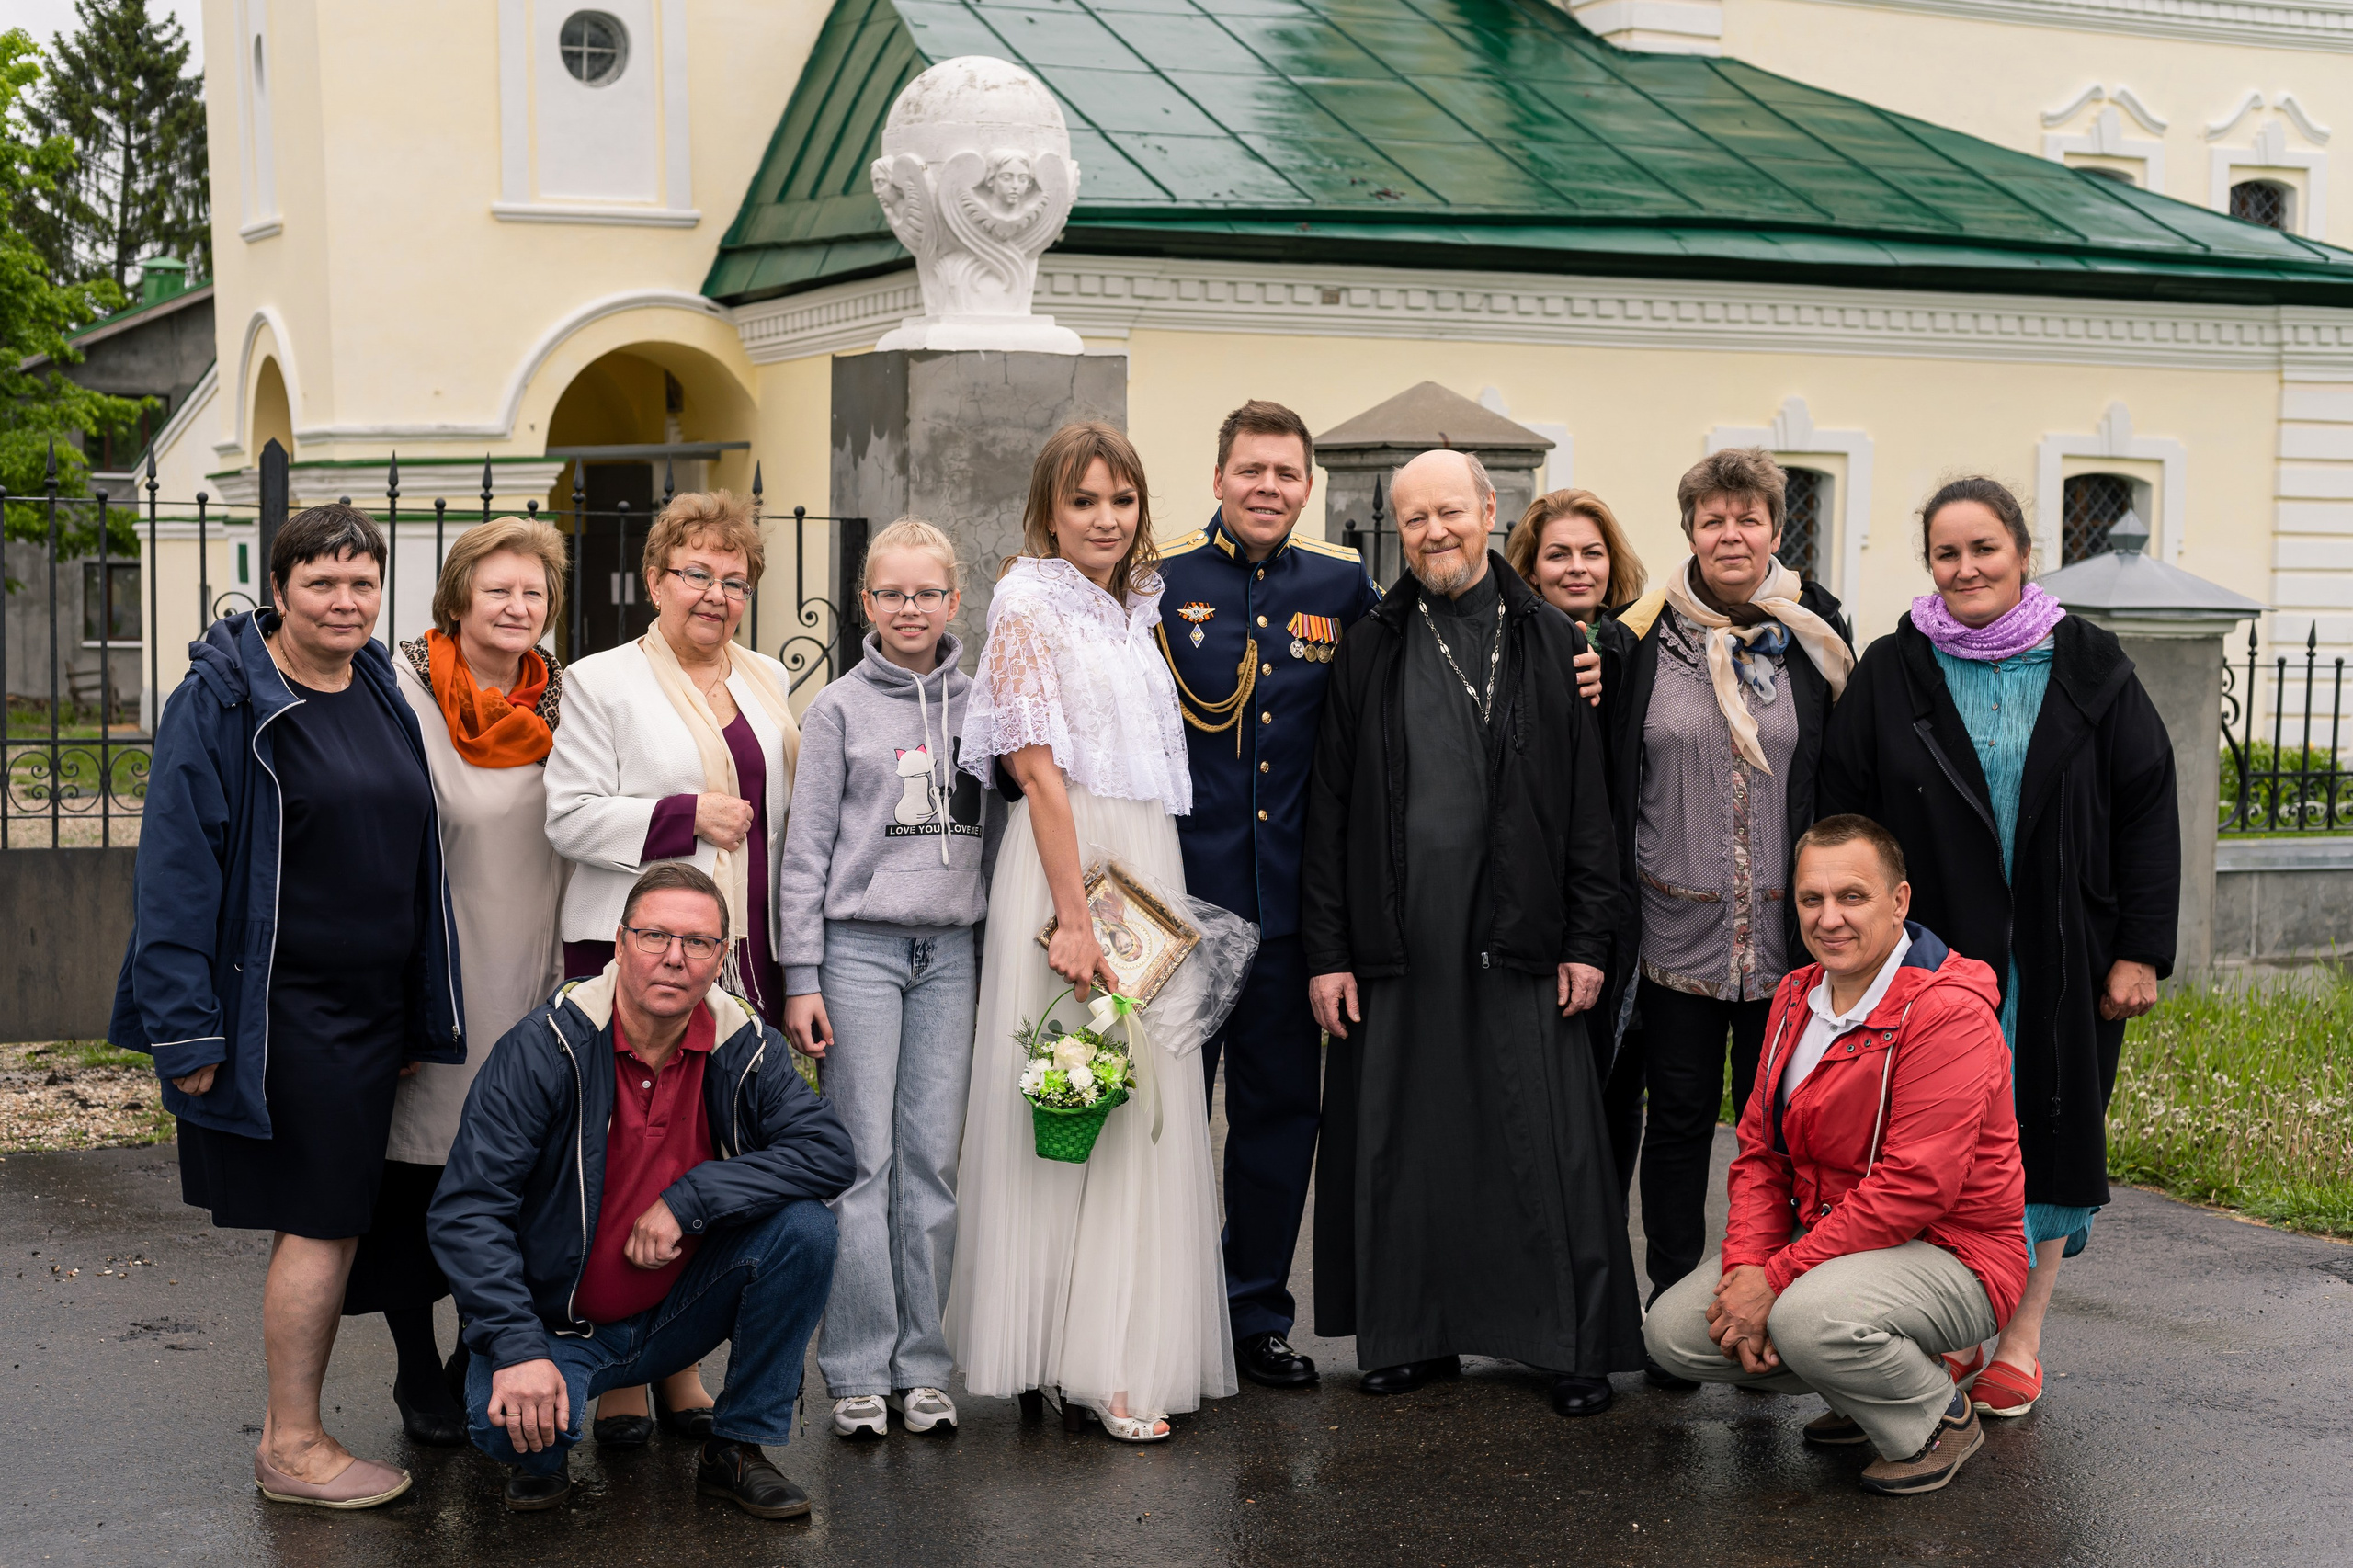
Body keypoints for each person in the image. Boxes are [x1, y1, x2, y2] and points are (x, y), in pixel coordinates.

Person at [110, 502, 461, 1509]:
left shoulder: (381, 688)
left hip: (366, 1015)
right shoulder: (222, 700)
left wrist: (409, 1006)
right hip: (280, 1012)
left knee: (337, 1221)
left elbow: (405, 859)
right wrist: (184, 1026)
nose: (345, 600)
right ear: (279, 590)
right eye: (322, 581)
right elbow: (178, 869)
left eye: (361, 582)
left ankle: (289, 1432)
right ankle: (293, 1446)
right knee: (318, 1222)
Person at [1818, 476, 2177, 1417]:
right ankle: (1943, 1325)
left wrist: (2138, 949)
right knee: (1924, 1144)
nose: (1967, 567)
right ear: (1928, 563)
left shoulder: (2093, 666)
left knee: (2045, 1134)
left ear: (2022, 552)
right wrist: (1850, 939)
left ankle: (2019, 1337)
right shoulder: (1892, 671)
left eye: (1984, 548)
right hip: (1934, 959)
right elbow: (1844, 807)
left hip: (2061, 958)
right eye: (1947, 552)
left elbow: (2146, 809)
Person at [1302, 448, 1641, 1418]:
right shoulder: (1371, 641)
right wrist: (1326, 952)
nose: (1434, 532)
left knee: (1545, 1137)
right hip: (1398, 938)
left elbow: (1588, 811)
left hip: (1523, 931)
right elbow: (1328, 810)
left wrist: (1587, 937)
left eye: (1450, 511)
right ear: (1396, 528)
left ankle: (1566, 1342)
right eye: (1414, 519)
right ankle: (1412, 1335)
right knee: (1406, 1140)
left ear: (1491, 511)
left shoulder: (1551, 638)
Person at [946, 420, 1236, 1442]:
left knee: (1142, 1099)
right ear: (1048, 510)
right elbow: (1035, 769)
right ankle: (1084, 1359)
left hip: (1142, 856)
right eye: (1084, 502)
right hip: (1074, 864)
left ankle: (1114, 1345)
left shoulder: (1129, 607)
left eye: (1121, 500)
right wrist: (1073, 919)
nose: (1105, 519)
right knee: (1077, 1090)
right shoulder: (1028, 601)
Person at [430, 863, 853, 1516]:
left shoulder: (743, 1044)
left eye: (698, 943)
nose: (674, 958)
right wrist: (515, 1348)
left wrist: (693, 1197)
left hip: (676, 1314)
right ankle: (539, 1413)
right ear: (620, 943)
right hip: (557, 1328)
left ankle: (736, 1448)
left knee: (805, 1229)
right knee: (513, 1439)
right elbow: (468, 1210)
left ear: (721, 958)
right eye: (655, 936)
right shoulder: (547, 1048)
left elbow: (828, 1153)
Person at [1643, 816, 2027, 1496]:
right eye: (1811, 900)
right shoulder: (1795, 997)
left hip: (1955, 1252)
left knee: (1803, 1316)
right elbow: (1761, 1156)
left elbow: (1917, 1186)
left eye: (1853, 897)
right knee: (1674, 1334)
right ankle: (1863, 1395)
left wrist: (1779, 1279)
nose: (1830, 919)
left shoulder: (1948, 1011)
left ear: (1899, 901)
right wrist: (1746, 1271)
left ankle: (1938, 1419)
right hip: (1833, 1243)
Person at [543, 488, 800, 1441]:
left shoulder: (768, 676)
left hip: (740, 954)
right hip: (630, 953)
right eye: (696, 572)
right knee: (620, 1159)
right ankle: (615, 1370)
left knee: (705, 1157)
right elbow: (566, 814)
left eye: (735, 579)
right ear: (654, 578)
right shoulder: (601, 679)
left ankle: (679, 1360)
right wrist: (683, 815)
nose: (716, 593)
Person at [1597, 449, 1853, 1387]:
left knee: (1782, 1132)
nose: (1731, 535)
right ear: (1690, 531)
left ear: (1775, 530)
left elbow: (1839, 766)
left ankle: (1774, 1310)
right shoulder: (1642, 634)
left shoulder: (1819, 628)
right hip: (1675, 934)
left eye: (1748, 519)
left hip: (1791, 942)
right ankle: (1674, 1302)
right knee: (1674, 1123)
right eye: (1713, 520)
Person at [1154, 399, 1380, 1390]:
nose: (1268, 489)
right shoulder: (1157, 580)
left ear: (1307, 486)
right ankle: (1162, 1308)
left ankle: (1253, 1312)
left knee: (1279, 1116)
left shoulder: (1342, 584)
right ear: (1217, 478)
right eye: (1251, 470)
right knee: (1159, 1118)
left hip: (1288, 910)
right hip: (1178, 911)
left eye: (1286, 474)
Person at [342, 517, 574, 1449]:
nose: (518, 608)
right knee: (415, 1178)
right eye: (499, 590)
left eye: (534, 593)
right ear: (457, 599)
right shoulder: (401, 693)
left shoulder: (567, 701)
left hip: (537, 966)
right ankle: (411, 1360)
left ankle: (476, 1349)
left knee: (517, 1176)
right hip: (436, 965)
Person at [778, 518, 986, 1440]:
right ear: (865, 602)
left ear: (954, 600)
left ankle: (924, 1362)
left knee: (932, 1164)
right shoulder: (836, 710)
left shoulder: (982, 705)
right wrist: (800, 973)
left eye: (927, 593)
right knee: (861, 1163)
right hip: (858, 950)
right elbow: (805, 848)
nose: (910, 609)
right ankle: (858, 1364)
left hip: (950, 956)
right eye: (892, 593)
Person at [1503, 487, 1649, 1192]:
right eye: (1557, 554)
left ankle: (1605, 1264)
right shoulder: (1507, 648)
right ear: (1530, 568)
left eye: (1591, 553)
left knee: (1616, 1084)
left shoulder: (1630, 649)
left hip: (1619, 904)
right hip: (1532, 907)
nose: (1577, 568)